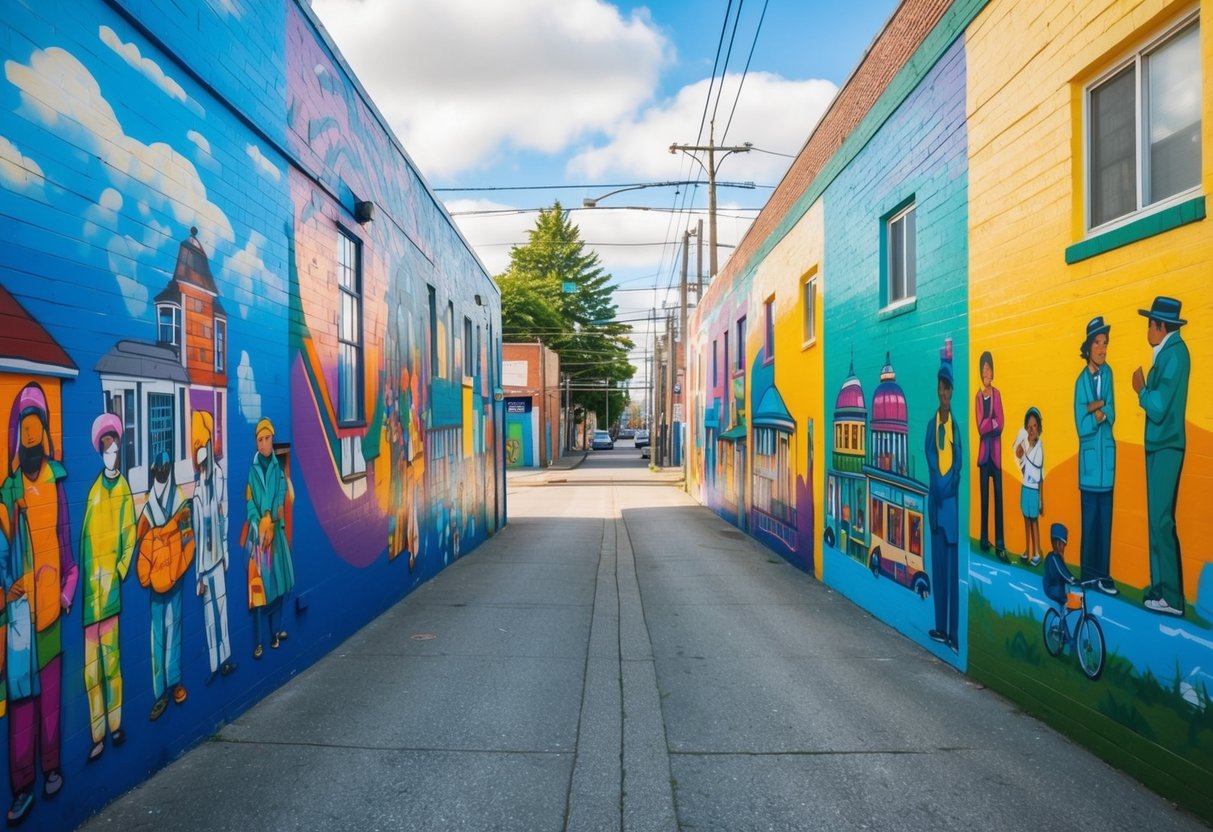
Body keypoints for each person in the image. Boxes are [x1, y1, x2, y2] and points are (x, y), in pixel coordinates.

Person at [0, 384, 78, 825]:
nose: (31, 437)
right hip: (18, 623)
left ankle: (51, 769)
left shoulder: (57, 483)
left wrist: (67, 594)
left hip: (50, 615)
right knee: (22, 708)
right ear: (17, 436)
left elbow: (67, 552)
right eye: (24, 429)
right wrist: (6, 583)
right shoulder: (7, 493)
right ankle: (22, 786)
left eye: (37, 428)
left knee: (49, 701)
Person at [79, 413, 136, 763]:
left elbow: (129, 537)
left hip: (110, 596)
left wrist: (117, 572)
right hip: (89, 601)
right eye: (106, 447)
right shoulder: (93, 493)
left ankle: (115, 725)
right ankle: (96, 733)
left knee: (111, 665)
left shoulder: (124, 491)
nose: (110, 452)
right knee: (90, 674)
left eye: (114, 446)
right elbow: (85, 541)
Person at [1132, 296, 1190, 617]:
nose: (1147, 330)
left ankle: (1172, 597)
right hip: (1157, 445)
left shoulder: (1175, 356)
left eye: (1149, 325)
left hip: (1167, 445)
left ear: (1160, 326)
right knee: (1155, 519)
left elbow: (1158, 406)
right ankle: (1159, 588)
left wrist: (1140, 389)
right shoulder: (1165, 354)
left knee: (1162, 520)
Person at [136, 451, 192, 719]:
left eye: (165, 467)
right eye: (158, 467)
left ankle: (175, 681)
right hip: (156, 581)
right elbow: (140, 538)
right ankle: (160, 692)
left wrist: (180, 562)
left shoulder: (179, 498)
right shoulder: (148, 505)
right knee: (157, 634)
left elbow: (187, 533)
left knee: (175, 628)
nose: (161, 471)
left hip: (176, 574)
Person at [1073, 316, 1117, 595]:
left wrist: (1097, 407)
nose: (1102, 348)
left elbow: (1112, 412)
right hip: (1090, 467)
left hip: (1107, 466)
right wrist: (1097, 411)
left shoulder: (1109, 374)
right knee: (1089, 523)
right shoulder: (1081, 381)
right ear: (1088, 347)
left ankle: (1103, 575)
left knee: (1105, 522)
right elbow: (1081, 425)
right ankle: (1088, 575)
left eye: (1105, 343)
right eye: (1098, 343)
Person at [246, 418, 295, 659]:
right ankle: (258, 640)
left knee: (278, 586)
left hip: (274, 536)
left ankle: (275, 632)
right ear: (256, 443)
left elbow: (281, 494)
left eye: (268, 439)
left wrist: (273, 521)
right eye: (260, 440)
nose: (265, 444)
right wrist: (258, 521)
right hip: (259, 540)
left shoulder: (277, 469)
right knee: (259, 591)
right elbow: (249, 502)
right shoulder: (252, 470)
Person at [925, 339, 961, 651]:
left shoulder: (956, 429)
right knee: (938, 572)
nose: (945, 393)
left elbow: (959, 465)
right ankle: (939, 627)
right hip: (936, 511)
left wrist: (944, 485)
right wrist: (937, 484)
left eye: (949, 389)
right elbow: (929, 457)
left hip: (950, 509)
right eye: (941, 387)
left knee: (952, 574)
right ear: (937, 390)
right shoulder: (929, 426)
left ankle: (953, 633)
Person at [192, 411, 235, 676]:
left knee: (221, 610)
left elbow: (225, 512)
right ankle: (213, 663)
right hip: (205, 564)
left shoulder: (218, 477)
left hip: (218, 557)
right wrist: (198, 575)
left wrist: (227, 547)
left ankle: (226, 656)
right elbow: (197, 534)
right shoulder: (197, 490)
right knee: (209, 617)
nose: (204, 465)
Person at [974, 351, 1006, 560]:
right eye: (984, 369)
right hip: (984, 456)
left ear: (993, 372)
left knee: (998, 499)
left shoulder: (997, 394)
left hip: (996, 455)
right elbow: (980, 426)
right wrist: (990, 422)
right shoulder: (978, 396)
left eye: (989, 368)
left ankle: (1000, 542)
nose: (987, 372)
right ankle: (984, 539)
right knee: (984, 499)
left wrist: (991, 423)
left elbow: (1001, 422)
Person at [1012, 407, 1044, 566]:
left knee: (1034, 522)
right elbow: (1023, 467)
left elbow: (1039, 474)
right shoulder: (1027, 446)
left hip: (1033, 490)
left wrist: (1041, 499)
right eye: (1029, 427)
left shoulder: (1039, 448)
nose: (1031, 430)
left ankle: (1037, 552)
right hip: (1025, 488)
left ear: (1039, 428)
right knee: (1026, 520)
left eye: (1034, 426)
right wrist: (1020, 453)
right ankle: (1027, 549)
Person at [1042, 522, 1077, 611]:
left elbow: (1065, 570)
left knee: (1071, 596)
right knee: (1070, 598)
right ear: (1057, 543)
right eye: (1063, 544)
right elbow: (1062, 571)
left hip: (1058, 585)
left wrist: (1074, 578)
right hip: (1051, 587)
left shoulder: (1058, 557)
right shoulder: (1052, 557)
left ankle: (1064, 614)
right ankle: (1064, 618)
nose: (1064, 547)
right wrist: (1072, 579)